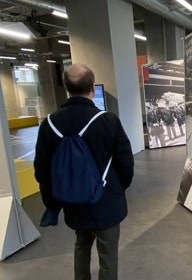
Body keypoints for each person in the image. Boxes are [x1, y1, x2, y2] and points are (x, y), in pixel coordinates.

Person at [34, 64, 134, 280]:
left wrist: (52, 202)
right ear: (92, 87)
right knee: (108, 252)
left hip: (73, 201)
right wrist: (119, 188)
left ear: (67, 88)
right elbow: (126, 162)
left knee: (81, 243)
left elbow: (42, 171)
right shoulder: (108, 120)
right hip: (106, 200)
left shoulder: (49, 124)